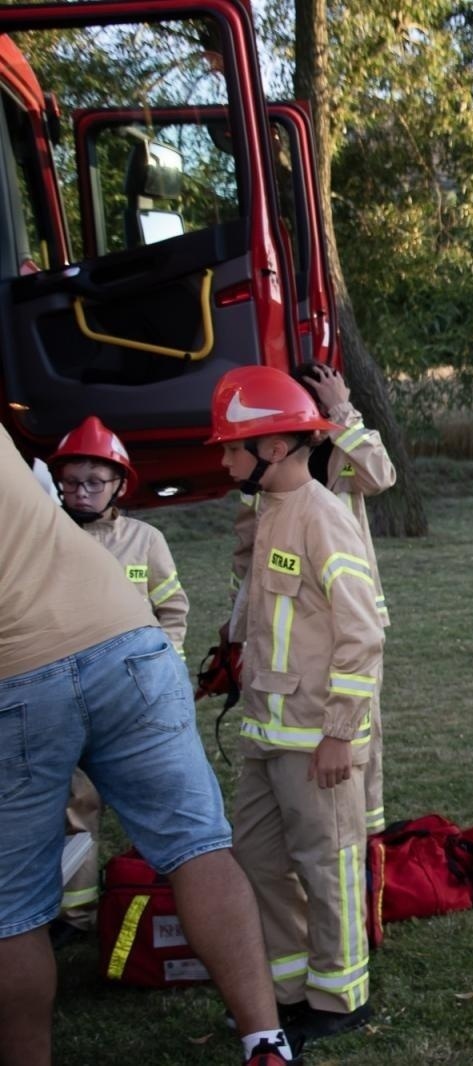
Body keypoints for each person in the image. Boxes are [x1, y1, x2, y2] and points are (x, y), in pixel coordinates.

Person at [0, 429, 293, 1065]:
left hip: (18, 674)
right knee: (199, 847)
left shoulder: (146, 542)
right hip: (128, 645)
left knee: (12, 909)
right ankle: (266, 1044)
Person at [210, 366, 385, 1046]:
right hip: (265, 732)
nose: (225, 461)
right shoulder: (265, 514)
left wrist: (340, 733)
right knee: (257, 858)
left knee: (327, 862)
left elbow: (362, 632)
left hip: (315, 736)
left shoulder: (323, 516)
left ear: (274, 448)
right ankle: (284, 985)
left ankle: (340, 997)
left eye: (232, 448)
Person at [229, 364, 396, 834]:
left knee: (360, 729)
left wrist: (343, 409)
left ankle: (362, 836)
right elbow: (248, 550)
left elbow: (382, 475)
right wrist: (238, 621)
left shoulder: (339, 449)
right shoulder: (264, 472)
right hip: (289, 614)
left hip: (348, 605)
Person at [44, 416, 191, 940]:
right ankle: (75, 915)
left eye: (93, 483)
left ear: (120, 485)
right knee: (74, 806)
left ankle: (171, 903)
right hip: (65, 696)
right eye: (70, 482)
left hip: (134, 701)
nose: (81, 493)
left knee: (157, 804)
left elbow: (172, 609)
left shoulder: (144, 541)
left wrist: (164, 666)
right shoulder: (47, 535)